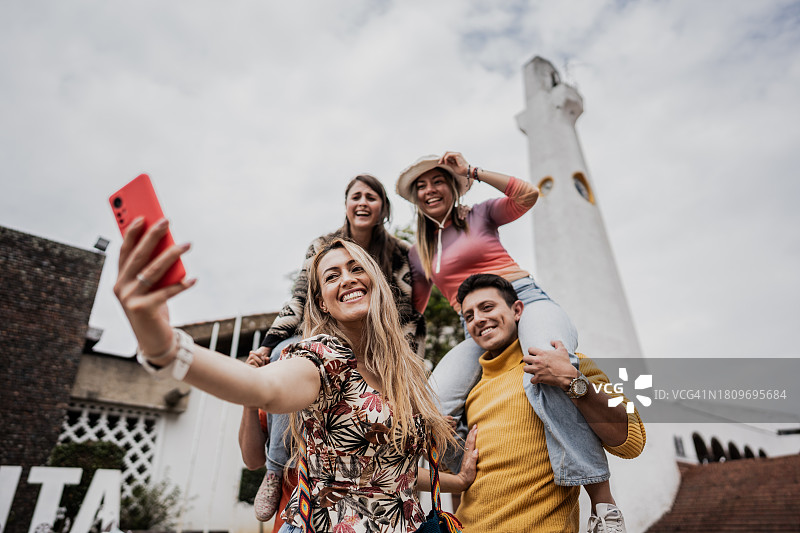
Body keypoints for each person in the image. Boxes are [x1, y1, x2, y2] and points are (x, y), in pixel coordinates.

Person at [114, 224, 478, 533]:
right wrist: (166, 347)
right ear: (322, 303)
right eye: (332, 276)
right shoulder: (323, 356)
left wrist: (458, 481)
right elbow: (263, 388)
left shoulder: (407, 371)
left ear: (377, 282)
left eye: (356, 268)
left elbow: (391, 474)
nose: (347, 279)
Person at [395, 152, 624, 529]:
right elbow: (411, 311)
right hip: (478, 324)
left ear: (451, 185)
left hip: (525, 300)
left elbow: (528, 195)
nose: (429, 189)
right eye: (420, 185)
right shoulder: (419, 252)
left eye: (437, 180)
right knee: (431, 408)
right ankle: (458, 492)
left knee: (545, 368)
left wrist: (471, 171)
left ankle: (604, 506)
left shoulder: (479, 215)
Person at [239, 174, 426, 523]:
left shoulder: (400, 253)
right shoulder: (323, 245)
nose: (363, 202)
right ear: (346, 205)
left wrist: (404, 362)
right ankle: (276, 467)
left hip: (380, 343)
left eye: (371, 197)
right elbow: (298, 300)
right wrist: (268, 347)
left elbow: (407, 313)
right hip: (321, 335)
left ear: (383, 207)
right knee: (286, 355)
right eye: (355, 196)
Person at [454, 273, 645, 532]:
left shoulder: (565, 362)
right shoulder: (471, 392)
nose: (478, 319)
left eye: (487, 307)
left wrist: (572, 381)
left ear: (517, 310)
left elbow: (630, 442)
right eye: (469, 316)